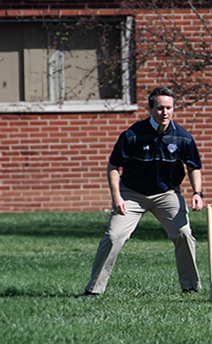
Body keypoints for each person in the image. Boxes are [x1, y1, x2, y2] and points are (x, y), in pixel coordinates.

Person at [82, 86, 204, 297]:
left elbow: (194, 167)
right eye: (159, 108)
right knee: (113, 236)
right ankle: (94, 289)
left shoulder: (183, 137)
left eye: (169, 108)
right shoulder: (133, 135)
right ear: (151, 109)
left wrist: (197, 193)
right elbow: (113, 167)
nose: (164, 112)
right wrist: (117, 196)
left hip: (167, 194)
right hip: (132, 193)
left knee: (184, 233)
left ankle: (190, 287)